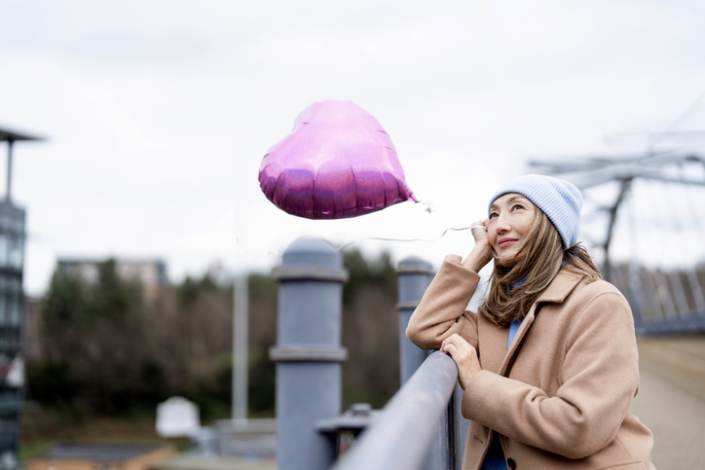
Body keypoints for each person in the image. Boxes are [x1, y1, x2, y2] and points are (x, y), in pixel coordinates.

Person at [406, 174, 655, 470]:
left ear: (552, 224)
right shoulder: (497, 315)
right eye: (493, 215)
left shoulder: (598, 304)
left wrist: (477, 382)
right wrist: (478, 255)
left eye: (517, 208)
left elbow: (580, 426)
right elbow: (424, 328)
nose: (499, 225)